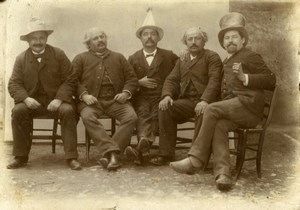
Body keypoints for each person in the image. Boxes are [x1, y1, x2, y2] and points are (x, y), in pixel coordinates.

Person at [170, 12, 276, 191]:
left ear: (243, 40)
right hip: (236, 109)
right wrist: (184, 54)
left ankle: (196, 159)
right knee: (219, 124)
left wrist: (245, 78)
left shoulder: (250, 56)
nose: (230, 41)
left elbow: (271, 80)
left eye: (234, 37)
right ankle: (223, 174)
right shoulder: (227, 60)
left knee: (210, 110)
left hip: (248, 107)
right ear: (223, 43)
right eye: (226, 38)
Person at [7, 17, 81, 170]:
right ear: (28, 40)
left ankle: (71, 157)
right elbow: (14, 83)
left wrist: (59, 99)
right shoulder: (21, 59)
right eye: (34, 38)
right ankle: (20, 156)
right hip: (33, 103)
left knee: (68, 110)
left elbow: (71, 78)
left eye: (41, 37)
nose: (38, 41)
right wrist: (26, 99)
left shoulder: (58, 54)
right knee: (18, 111)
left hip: (56, 101)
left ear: (46, 38)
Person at [149, 26, 223, 166]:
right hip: (188, 101)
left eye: (197, 38)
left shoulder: (212, 57)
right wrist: (167, 96)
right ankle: (166, 154)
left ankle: (196, 158)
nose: (194, 42)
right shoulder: (182, 59)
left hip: (207, 102)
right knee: (165, 108)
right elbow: (172, 79)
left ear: (204, 41)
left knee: (203, 111)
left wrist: (205, 100)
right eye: (190, 39)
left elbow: (215, 81)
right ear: (185, 42)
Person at [72, 27, 138, 171]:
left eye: (102, 37)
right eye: (95, 38)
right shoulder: (80, 58)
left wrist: (126, 93)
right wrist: (84, 95)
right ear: (88, 43)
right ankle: (113, 154)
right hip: (92, 102)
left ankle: (110, 154)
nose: (100, 40)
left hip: (116, 101)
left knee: (131, 116)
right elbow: (72, 80)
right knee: (88, 117)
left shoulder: (119, 57)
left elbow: (132, 78)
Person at [124, 9, 178, 165]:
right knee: (141, 112)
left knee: (157, 112)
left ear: (158, 38)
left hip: (161, 95)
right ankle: (144, 144)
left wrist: (185, 54)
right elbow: (127, 79)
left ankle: (141, 146)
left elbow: (181, 72)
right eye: (145, 34)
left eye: (152, 34)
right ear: (140, 38)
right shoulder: (133, 58)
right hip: (141, 96)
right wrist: (139, 82)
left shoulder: (169, 55)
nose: (149, 37)